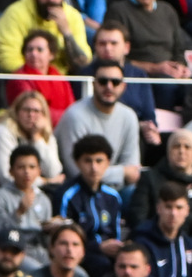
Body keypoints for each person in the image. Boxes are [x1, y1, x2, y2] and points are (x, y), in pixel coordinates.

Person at [103, 0, 192, 109]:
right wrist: (154, 68)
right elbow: (113, 57)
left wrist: (180, 67)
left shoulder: (168, 11)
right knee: (166, 86)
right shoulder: (118, 11)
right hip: (137, 76)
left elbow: (179, 49)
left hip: (169, 73)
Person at [55, 62, 142, 191]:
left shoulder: (129, 116)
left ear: (123, 87)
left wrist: (120, 174)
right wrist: (122, 172)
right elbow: (77, 171)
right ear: (93, 84)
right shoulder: (75, 116)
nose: (109, 87)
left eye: (115, 82)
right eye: (103, 81)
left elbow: (133, 171)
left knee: (133, 190)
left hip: (113, 188)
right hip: (77, 189)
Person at [0, 0, 91, 73]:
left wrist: (67, 33)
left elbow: (83, 64)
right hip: (22, 78)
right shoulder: (15, 14)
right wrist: (39, 79)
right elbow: (8, 58)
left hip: (58, 79)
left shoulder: (73, 16)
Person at [59, 134, 126, 277]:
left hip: (109, 253)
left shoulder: (113, 197)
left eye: (99, 161)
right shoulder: (67, 195)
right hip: (81, 255)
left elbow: (115, 234)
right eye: (88, 161)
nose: (94, 167)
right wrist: (98, 247)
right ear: (77, 162)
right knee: (103, 266)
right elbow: (63, 238)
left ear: (108, 163)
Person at [129, 130, 192, 240]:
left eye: (187, 147)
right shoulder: (149, 178)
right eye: (176, 146)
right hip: (152, 242)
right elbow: (138, 218)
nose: (181, 151)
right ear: (168, 150)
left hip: (188, 246)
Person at [134, 182, 192, 277]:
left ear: (187, 211)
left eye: (179, 208)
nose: (173, 213)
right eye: (168, 207)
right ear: (158, 208)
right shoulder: (143, 243)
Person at [0, 91, 64, 192]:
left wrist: (36, 138)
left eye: (36, 111)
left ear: (44, 115)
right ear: (16, 112)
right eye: (26, 110)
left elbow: (53, 172)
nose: (31, 115)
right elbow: (6, 177)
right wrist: (46, 182)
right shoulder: (2, 133)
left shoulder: (43, 134)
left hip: (34, 191)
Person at [7, 29, 74, 124]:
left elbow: (71, 106)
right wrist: (68, 117)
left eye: (39, 50)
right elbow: (34, 111)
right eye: (29, 50)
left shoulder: (59, 77)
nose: (34, 54)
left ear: (51, 54)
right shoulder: (19, 78)